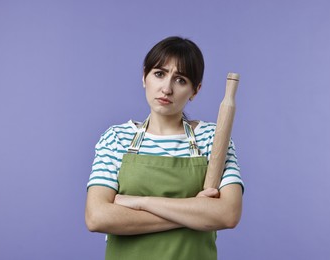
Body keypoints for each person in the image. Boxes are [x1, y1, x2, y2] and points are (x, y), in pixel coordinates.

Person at [85, 36, 244, 260]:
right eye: (159, 74)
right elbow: (97, 217)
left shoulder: (212, 138)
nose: (167, 88)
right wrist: (195, 213)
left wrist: (140, 202)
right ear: (144, 77)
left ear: (195, 90)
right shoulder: (116, 138)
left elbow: (228, 214)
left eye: (180, 80)